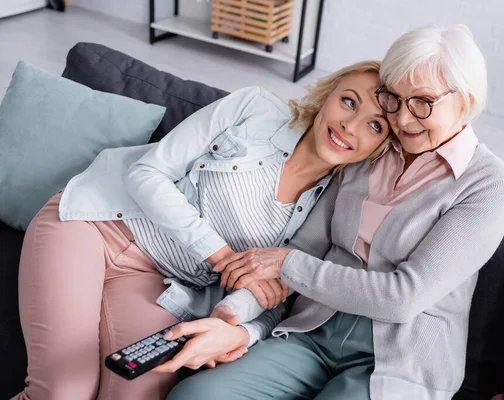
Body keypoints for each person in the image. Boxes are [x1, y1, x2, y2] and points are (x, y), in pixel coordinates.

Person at [163, 24, 504, 400]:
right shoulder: (370, 151)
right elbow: (306, 249)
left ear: (465, 99)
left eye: (422, 103)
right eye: (394, 99)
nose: (402, 120)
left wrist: (285, 264)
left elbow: (402, 298)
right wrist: (230, 317)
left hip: (398, 364)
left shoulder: (488, 184)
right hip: (312, 334)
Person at [13, 61, 392, 400]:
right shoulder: (255, 108)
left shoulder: (331, 207)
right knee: (64, 391)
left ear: (382, 147)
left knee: (140, 390)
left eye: (375, 125)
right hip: (95, 227)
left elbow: (276, 300)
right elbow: (147, 173)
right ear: (328, 95)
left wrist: (233, 322)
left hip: (153, 280)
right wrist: (221, 255)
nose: (349, 125)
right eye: (349, 101)